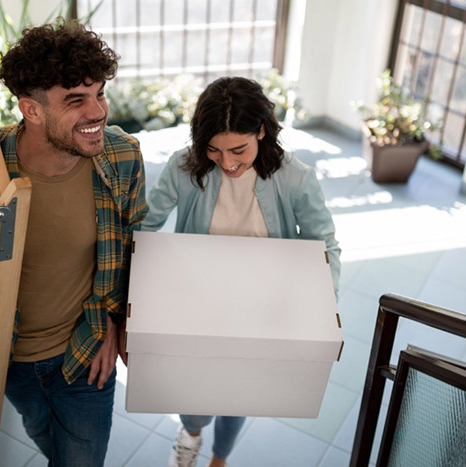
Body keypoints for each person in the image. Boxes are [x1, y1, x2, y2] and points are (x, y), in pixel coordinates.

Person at [0, 19, 147, 467]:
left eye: (99, 93)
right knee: (42, 432)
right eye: (76, 101)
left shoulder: (122, 156)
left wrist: (115, 320)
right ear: (31, 110)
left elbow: (135, 243)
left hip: (85, 349)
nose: (97, 112)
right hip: (5, 354)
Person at [141, 76, 341, 467]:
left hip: (261, 309)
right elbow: (146, 226)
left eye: (238, 149)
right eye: (214, 150)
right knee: (195, 396)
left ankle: (220, 458)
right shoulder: (183, 168)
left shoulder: (296, 178)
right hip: (200, 306)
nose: (228, 162)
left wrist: (320, 310)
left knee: (240, 394)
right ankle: (191, 433)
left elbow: (324, 246)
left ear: (261, 131)